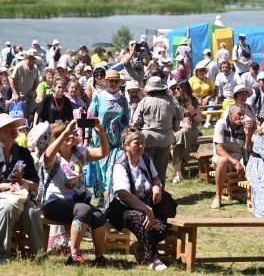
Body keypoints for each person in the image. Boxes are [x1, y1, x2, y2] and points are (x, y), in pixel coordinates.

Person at [0, 113, 45, 263]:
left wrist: (22, 181)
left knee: (33, 211)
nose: (13, 129)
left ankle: (40, 256)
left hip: (21, 197)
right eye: (8, 126)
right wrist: (4, 186)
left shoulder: (24, 153)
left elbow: (35, 185)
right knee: (6, 207)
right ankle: (1, 256)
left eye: (14, 125)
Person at [41, 119, 110, 265]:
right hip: (53, 203)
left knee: (98, 215)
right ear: (59, 137)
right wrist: (65, 132)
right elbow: (47, 157)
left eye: (74, 133)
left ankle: (99, 257)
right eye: (68, 134)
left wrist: (101, 132)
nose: (72, 136)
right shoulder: (54, 156)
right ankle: (74, 255)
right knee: (84, 209)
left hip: (76, 204)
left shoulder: (78, 153)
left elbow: (103, 153)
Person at [109, 128, 169, 271]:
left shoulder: (146, 159)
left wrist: (156, 186)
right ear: (126, 146)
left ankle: (137, 246)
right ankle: (152, 259)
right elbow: (125, 195)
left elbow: (155, 178)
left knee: (163, 228)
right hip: (121, 208)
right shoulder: (120, 165)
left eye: (142, 143)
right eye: (137, 143)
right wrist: (146, 209)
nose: (141, 146)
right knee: (143, 220)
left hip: (144, 206)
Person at [87, 69, 129, 207]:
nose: (114, 83)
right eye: (111, 81)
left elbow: (126, 119)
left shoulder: (123, 100)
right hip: (99, 138)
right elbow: (90, 117)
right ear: (106, 82)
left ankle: (112, 195)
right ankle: (100, 195)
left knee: (113, 168)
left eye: (116, 81)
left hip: (116, 139)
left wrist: (126, 134)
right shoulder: (98, 97)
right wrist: (88, 136)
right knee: (100, 168)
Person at [133, 76, 183, 188]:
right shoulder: (170, 99)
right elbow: (180, 116)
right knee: (161, 170)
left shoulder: (144, 101)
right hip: (165, 139)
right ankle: (161, 196)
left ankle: (147, 195)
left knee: (146, 168)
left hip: (148, 139)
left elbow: (135, 122)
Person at [210, 103, 251, 209]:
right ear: (230, 114)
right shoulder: (221, 123)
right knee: (223, 160)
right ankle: (217, 197)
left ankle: (242, 191)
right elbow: (219, 149)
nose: (242, 117)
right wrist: (235, 162)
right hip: (222, 157)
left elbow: (248, 150)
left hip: (238, 156)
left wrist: (248, 135)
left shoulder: (244, 126)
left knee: (252, 162)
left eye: (243, 115)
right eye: (239, 114)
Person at [171, 80, 202, 184]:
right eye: (175, 88)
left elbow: (199, 121)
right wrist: (182, 125)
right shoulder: (174, 101)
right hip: (179, 131)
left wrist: (193, 113)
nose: (176, 90)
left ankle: (169, 148)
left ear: (184, 89)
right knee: (180, 142)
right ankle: (177, 174)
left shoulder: (193, 101)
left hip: (192, 132)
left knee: (183, 133)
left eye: (178, 88)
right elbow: (172, 120)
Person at [10, 49, 40, 121]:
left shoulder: (35, 68)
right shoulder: (20, 66)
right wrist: (15, 93)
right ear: (28, 57)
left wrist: (33, 91)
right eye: (33, 59)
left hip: (30, 96)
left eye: (35, 59)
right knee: (18, 119)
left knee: (33, 115)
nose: (35, 61)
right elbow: (12, 80)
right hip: (19, 96)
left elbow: (36, 81)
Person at [189, 63, 216, 128]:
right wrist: (197, 99)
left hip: (207, 97)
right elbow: (189, 92)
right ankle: (196, 120)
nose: (202, 72)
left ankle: (207, 122)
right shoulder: (191, 80)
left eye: (203, 70)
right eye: (200, 70)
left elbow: (212, 93)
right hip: (194, 97)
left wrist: (206, 98)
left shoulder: (209, 80)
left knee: (211, 104)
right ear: (196, 72)